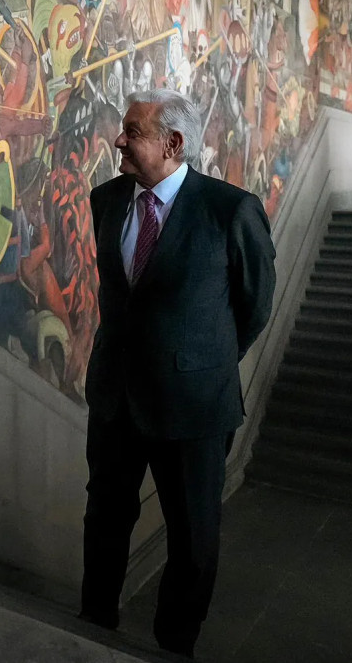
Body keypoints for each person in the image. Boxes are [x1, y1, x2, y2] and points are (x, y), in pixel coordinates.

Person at [79, 89, 275, 658]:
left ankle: (173, 647)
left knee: (192, 537)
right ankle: (92, 626)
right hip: (116, 397)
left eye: (132, 132)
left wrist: (199, 361)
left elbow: (255, 304)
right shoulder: (106, 200)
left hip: (193, 405)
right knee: (105, 518)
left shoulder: (230, 209)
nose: (119, 140)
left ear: (173, 143)